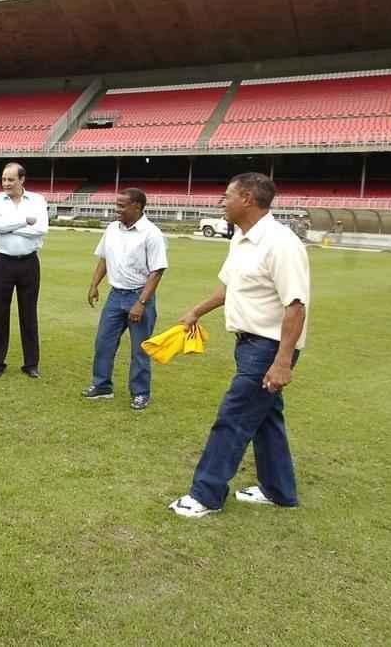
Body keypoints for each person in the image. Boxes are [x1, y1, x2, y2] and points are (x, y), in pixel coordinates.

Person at [168, 172, 311, 518]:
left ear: (247, 198)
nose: (222, 201)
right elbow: (228, 287)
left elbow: (296, 305)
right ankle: (279, 491)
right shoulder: (242, 239)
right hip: (248, 344)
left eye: (227, 195)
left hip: (269, 347)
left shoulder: (281, 243)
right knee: (265, 419)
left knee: (232, 418)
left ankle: (206, 495)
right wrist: (195, 312)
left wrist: (282, 362)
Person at [84, 188, 168, 410]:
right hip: (115, 295)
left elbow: (157, 271)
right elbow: (103, 258)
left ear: (137, 207)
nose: (116, 209)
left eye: (122, 206)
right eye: (116, 204)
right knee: (104, 343)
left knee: (140, 349)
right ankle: (102, 385)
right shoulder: (112, 229)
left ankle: (141, 392)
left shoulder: (151, 234)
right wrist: (94, 285)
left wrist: (141, 303)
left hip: (139, 295)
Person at [0, 162, 48, 378]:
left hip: (29, 263)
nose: (6, 183)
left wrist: (12, 227)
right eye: (3, 179)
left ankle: (31, 364)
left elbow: (41, 229)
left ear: (22, 180)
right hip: (3, 262)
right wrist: (25, 222)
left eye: (10, 179)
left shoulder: (38, 200)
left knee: (29, 313)